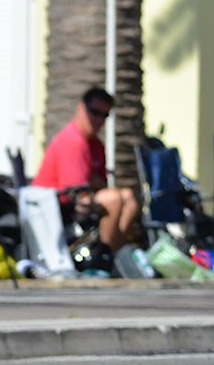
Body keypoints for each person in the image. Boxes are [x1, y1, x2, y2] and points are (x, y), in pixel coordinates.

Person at [33, 87, 139, 261]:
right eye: (94, 112)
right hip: (55, 204)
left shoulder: (96, 145)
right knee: (112, 199)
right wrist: (93, 183)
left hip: (78, 200)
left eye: (104, 116)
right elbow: (78, 190)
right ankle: (104, 257)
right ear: (81, 108)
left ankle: (113, 253)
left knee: (128, 197)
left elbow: (99, 183)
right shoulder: (73, 140)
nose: (98, 120)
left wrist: (93, 183)